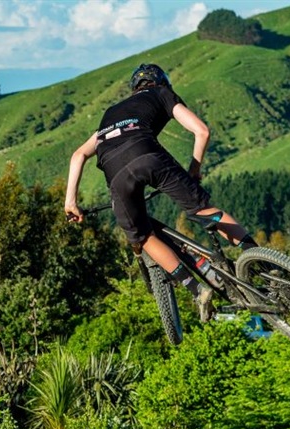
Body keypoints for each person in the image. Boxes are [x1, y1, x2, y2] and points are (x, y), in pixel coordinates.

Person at [64, 63, 257, 322]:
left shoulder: (110, 114)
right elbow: (202, 131)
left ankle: (198, 291)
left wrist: (71, 202)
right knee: (203, 210)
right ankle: (260, 260)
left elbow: (78, 155)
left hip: (117, 177)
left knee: (142, 237)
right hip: (149, 157)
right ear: (162, 82)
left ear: (134, 88)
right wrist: (194, 170)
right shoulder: (161, 94)